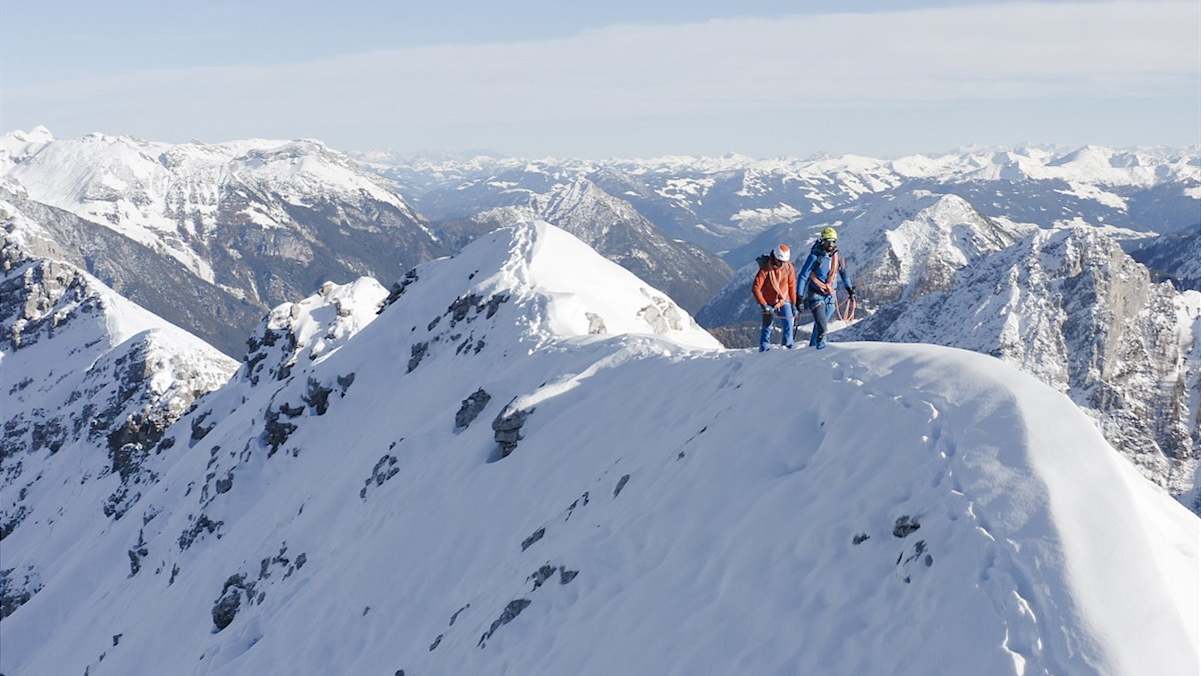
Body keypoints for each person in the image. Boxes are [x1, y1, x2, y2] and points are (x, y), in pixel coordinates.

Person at [795, 227, 855, 349]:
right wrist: (799, 297)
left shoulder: (837, 258)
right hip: (816, 294)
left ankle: (812, 349)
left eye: (833, 242)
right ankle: (820, 350)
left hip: (830, 296)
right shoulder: (815, 257)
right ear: (822, 241)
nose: (830, 245)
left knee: (819, 325)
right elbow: (802, 276)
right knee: (822, 326)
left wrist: (850, 289)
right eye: (828, 241)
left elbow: (843, 274)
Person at [751, 244, 797, 352]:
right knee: (767, 326)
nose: (782, 264)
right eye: (780, 262)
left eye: (783, 262)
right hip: (768, 302)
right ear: (775, 258)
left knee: (789, 324)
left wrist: (794, 304)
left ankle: (787, 348)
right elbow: (756, 288)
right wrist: (764, 305)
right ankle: (764, 349)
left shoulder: (788, 267)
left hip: (783, 300)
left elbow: (792, 285)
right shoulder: (765, 269)